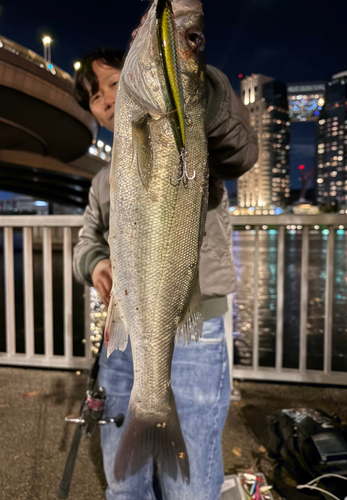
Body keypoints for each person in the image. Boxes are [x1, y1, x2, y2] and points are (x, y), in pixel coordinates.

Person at [73, 42, 258, 500]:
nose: (108, 100)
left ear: (142, 81)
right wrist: (96, 264)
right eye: (96, 97)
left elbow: (240, 149)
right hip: (126, 329)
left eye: (115, 83)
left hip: (197, 325)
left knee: (191, 479)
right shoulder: (103, 180)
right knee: (124, 480)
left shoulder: (192, 143)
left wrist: (194, 80)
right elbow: (88, 239)